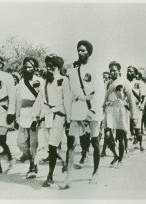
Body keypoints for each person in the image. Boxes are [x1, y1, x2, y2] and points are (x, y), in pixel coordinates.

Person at [60, 40, 105, 189]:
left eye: (83, 50)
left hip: (92, 109)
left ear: (89, 53)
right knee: (71, 143)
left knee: (95, 142)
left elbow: (100, 92)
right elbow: (69, 95)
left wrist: (93, 110)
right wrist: (69, 115)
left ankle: (96, 172)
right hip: (77, 110)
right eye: (78, 50)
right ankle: (68, 177)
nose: (80, 53)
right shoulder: (72, 72)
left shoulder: (95, 69)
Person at [31, 54, 71, 187]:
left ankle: (50, 175)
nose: (49, 69)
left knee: (53, 146)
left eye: (52, 66)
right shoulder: (45, 82)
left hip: (59, 116)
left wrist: (69, 120)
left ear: (58, 67)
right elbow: (39, 101)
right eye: (47, 66)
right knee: (50, 146)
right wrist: (35, 117)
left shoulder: (63, 80)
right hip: (47, 116)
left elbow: (67, 101)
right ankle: (62, 165)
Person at [15, 57, 42, 179]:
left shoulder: (39, 81)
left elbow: (41, 100)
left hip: (34, 115)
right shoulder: (21, 82)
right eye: (25, 67)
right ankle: (28, 156)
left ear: (35, 68)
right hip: (23, 115)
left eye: (29, 67)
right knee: (21, 142)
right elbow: (18, 100)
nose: (27, 69)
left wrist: (38, 117)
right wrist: (16, 116)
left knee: (33, 144)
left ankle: (33, 167)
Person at [103, 61, 131, 168]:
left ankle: (120, 160)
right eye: (111, 70)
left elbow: (129, 97)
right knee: (107, 135)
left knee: (120, 137)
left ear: (119, 71)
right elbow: (104, 98)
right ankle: (115, 155)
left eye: (114, 70)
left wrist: (127, 106)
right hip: (109, 109)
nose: (112, 72)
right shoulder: (107, 83)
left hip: (120, 109)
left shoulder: (124, 81)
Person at [127, 66, 146, 151]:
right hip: (127, 107)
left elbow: (144, 96)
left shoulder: (140, 83)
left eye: (131, 71)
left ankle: (140, 144)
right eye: (128, 71)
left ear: (135, 74)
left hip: (136, 107)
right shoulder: (124, 82)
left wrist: (142, 104)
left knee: (137, 128)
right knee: (127, 128)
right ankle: (126, 147)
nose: (129, 73)